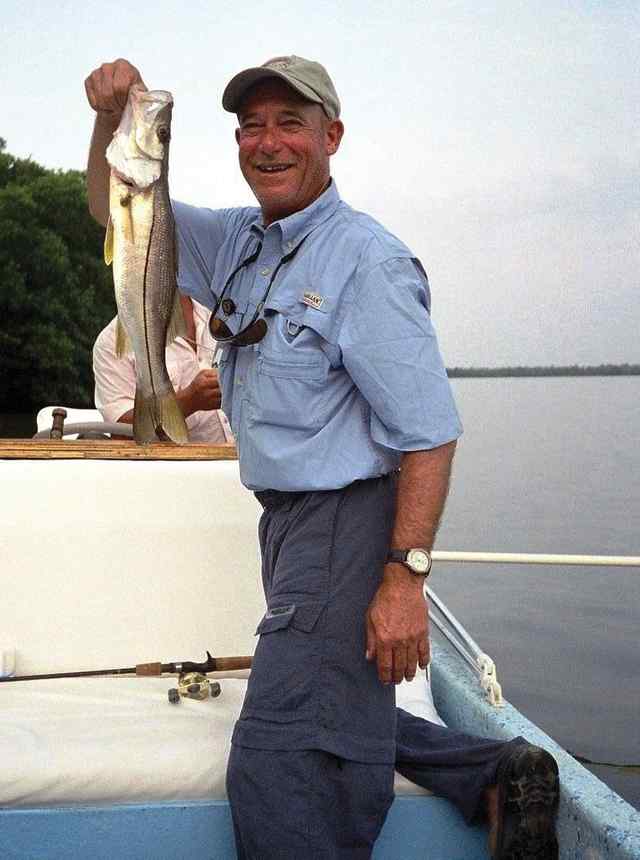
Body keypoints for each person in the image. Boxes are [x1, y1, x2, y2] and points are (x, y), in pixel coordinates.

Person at [85, 56, 559, 859]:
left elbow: (430, 432)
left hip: (346, 520)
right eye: (251, 126)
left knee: (283, 760)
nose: (267, 143)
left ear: (331, 137)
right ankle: (491, 770)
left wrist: (404, 577)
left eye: (289, 124)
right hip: (289, 523)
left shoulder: (365, 261)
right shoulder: (238, 239)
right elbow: (119, 210)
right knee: (329, 705)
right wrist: (107, 122)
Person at [93, 292, 233, 443]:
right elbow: (119, 433)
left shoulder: (225, 310)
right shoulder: (111, 342)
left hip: (252, 455)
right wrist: (190, 400)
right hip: (188, 464)